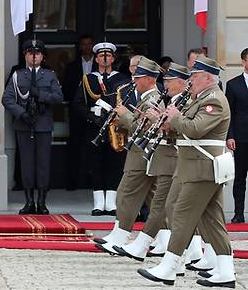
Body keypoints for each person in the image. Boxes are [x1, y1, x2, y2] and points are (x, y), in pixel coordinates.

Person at [138, 56, 235, 288]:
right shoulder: (200, 98)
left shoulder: (214, 100)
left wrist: (175, 118)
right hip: (194, 166)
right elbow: (183, 131)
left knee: (181, 214)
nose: (190, 79)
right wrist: (167, 124)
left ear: (208, 78)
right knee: (212, 220)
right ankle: (225, 271)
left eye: (194, 75)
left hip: (202, 168)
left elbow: (195, 128)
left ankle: (170, 266)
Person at [113, 62, 189, 261]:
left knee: (165, 205)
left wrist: (160, 121)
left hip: (174, 157)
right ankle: (193, 254)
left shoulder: (182, 101)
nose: (166, 85)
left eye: (169, 81)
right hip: (165, 157)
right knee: (168, 205)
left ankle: (141, 244)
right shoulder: (174, 99)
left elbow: (189, 129)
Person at [92, 58, 165, 254]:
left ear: (150, 79)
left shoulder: (152, 98)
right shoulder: (147, 97)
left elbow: (144, 127)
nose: (134, 80)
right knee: (153, 198)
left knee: (127, 194)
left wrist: (124, 115)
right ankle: (163, 240)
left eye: (138, 76)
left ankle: (121, 237)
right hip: (140, 151)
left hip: (143, 152)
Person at [2, 39, 63, 214]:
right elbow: (7, 99)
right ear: (25, 55)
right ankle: (29, 202)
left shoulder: (49, 75)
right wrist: (22, 113)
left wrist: (41, 95)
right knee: (27, 163)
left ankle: (42, 202)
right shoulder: (17, 75)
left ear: (42, 56)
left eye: (37, 53)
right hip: (24, 124)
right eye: (30, 53)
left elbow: (58, 97)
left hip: (43, 124)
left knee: (43, 164)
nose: (34, 56)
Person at [71, 42, 130, 215]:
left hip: (115, 126)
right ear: (96, 59)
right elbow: (78, 104)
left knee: (114, 162)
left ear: (113, 58)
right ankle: (98, 202)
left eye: (108, 56)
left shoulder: (122, 79)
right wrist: (92, 118)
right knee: (95, 163)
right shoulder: (88, 79)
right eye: (101, 56)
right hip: (95, 126)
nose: (105, 59)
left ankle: (111, 202)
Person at [63, 34, 96, 190]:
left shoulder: (98, 65)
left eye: (89, 44)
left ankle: (91, 181)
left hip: (95, 112)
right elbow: (66, 89)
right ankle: (72, 181)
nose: (87, 47)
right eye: (84, 44)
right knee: (75, 147)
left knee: (93, 147)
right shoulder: (72, 66)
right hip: (76, 112)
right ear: (80, 47)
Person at [227, 47, 248, 223]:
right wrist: (230, 136)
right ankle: (238, 214)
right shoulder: (233, 84)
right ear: (243, 62)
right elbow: (229, 113)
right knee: (240, 178)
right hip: (241, 138)